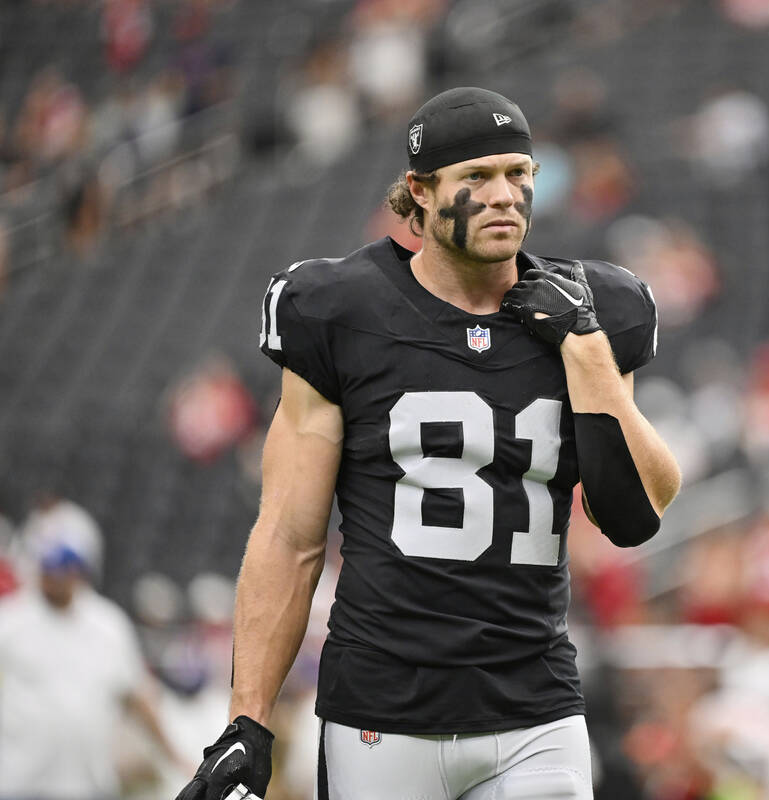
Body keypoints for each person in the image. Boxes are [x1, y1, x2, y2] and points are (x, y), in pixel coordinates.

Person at [176, 87, 681, 800]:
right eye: (476, 177)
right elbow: (291, 537)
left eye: (518, 173)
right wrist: (248, 718)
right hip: (383, 712)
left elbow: (638, 511)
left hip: (535, 707)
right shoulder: (341, 310)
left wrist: (589, 351)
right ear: (419, 191)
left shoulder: (591, 310)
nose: (504, 195)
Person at [0, 537, 185, 799]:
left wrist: (173, 756)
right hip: (20, 780)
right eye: (51, 573)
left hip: (87, 783)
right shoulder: (10, 620)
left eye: (65, 573)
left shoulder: (107, 623)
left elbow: (135, 696)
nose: (58, 580)